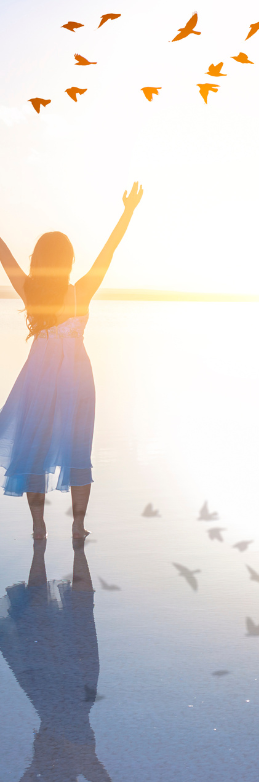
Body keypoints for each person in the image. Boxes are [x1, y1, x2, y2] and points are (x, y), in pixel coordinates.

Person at [0, 183, 143, 538]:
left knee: (32, 449)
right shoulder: (82, 291)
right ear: (67, 262)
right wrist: (128, 211)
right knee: (79, 449)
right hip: (78, 377)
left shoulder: (31, 291)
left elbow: (3, 253)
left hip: (39, 376)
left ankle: (38, 527)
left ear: (39, 261)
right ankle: (78, 526)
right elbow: (108, 253)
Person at [0, 540, 149, 782]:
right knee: (72, 613)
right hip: (66, 685)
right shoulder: (78, 766)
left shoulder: (45, 771)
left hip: (59, 686)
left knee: (53, 614)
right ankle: (71, 546)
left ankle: (55, 547)